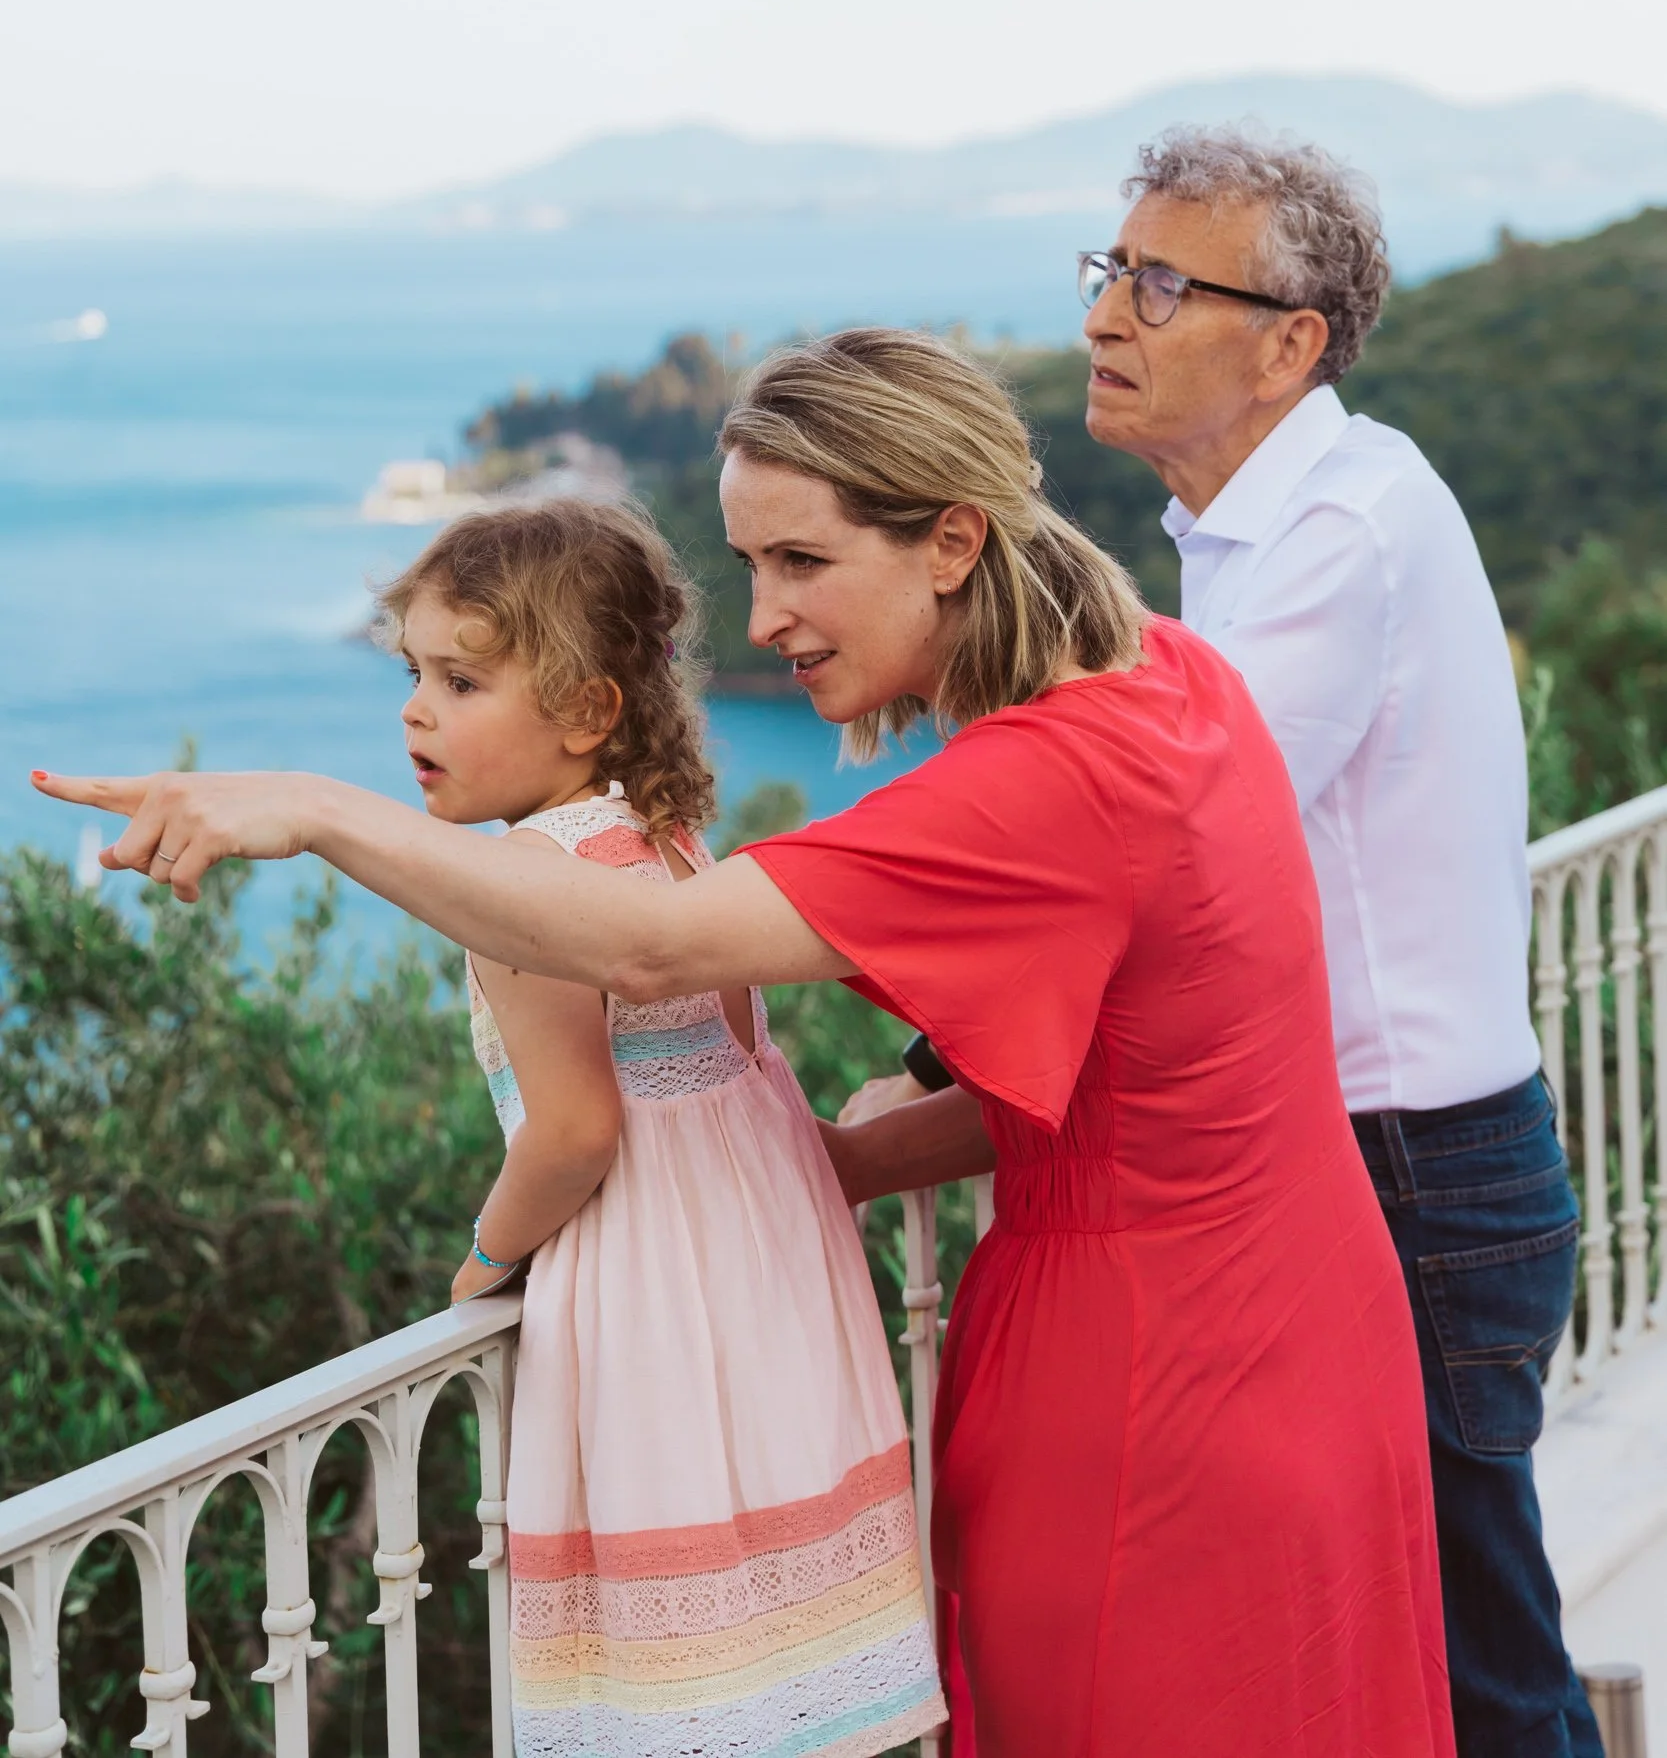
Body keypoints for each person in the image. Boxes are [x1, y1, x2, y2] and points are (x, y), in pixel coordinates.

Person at [37, 328, 1456, 1758]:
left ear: (949, 541)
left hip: (1156, 1393)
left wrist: (320, 810)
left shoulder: (1035, 783)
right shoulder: (1166, 681)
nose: (765, 617)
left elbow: (646, 944)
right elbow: (1133, 1082)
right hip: (1307, 1332)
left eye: (800, 562)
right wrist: (824, 1164)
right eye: (746, 567)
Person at [1072, 126, 1598, 1758]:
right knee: (1401, 1653)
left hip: (1411, 1176)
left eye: (1161, 284)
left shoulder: (1331, 536)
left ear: (1288, 341)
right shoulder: (1261, 529)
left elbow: (1162, 843)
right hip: (1398, 1163)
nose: (1107, 315)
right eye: (1109, 269)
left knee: (1473, 1668)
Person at [361, 497, 944, 1758]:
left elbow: (573, 1132)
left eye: (460, 680)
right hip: (764, 1292)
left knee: (680, 1700)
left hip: (655, 1314)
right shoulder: (672, 851)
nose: (415, 709)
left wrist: (480, 1264)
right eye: (414, 673)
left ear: (586, 710)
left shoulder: (525, 884)